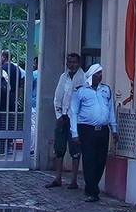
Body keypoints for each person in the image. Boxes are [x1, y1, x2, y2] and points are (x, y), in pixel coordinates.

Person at [70, 64, 117, 202]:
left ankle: (91, 186)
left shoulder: (106, 90)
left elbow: (111, 110)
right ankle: (92, 191)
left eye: (101, 73)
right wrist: (74, 133)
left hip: (103, 129)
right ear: (91, 75)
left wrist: (114, 129)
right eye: (97, 74)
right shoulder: (81, 91)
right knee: (89, 159)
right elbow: (74, 112)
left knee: (100, 160)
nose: (100, 76)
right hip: (87, 129)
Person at [50, 51, 84, 187]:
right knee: (59, 148)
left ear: (79, 63)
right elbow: (57, 97)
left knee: (75, 149)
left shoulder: (83, 78)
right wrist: (59, 115)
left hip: (75, 118)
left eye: (74, 62)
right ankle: (57, 178)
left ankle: (74, 180)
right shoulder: (63, 77)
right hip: (62, 117)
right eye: (70, 62)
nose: (72, 65)